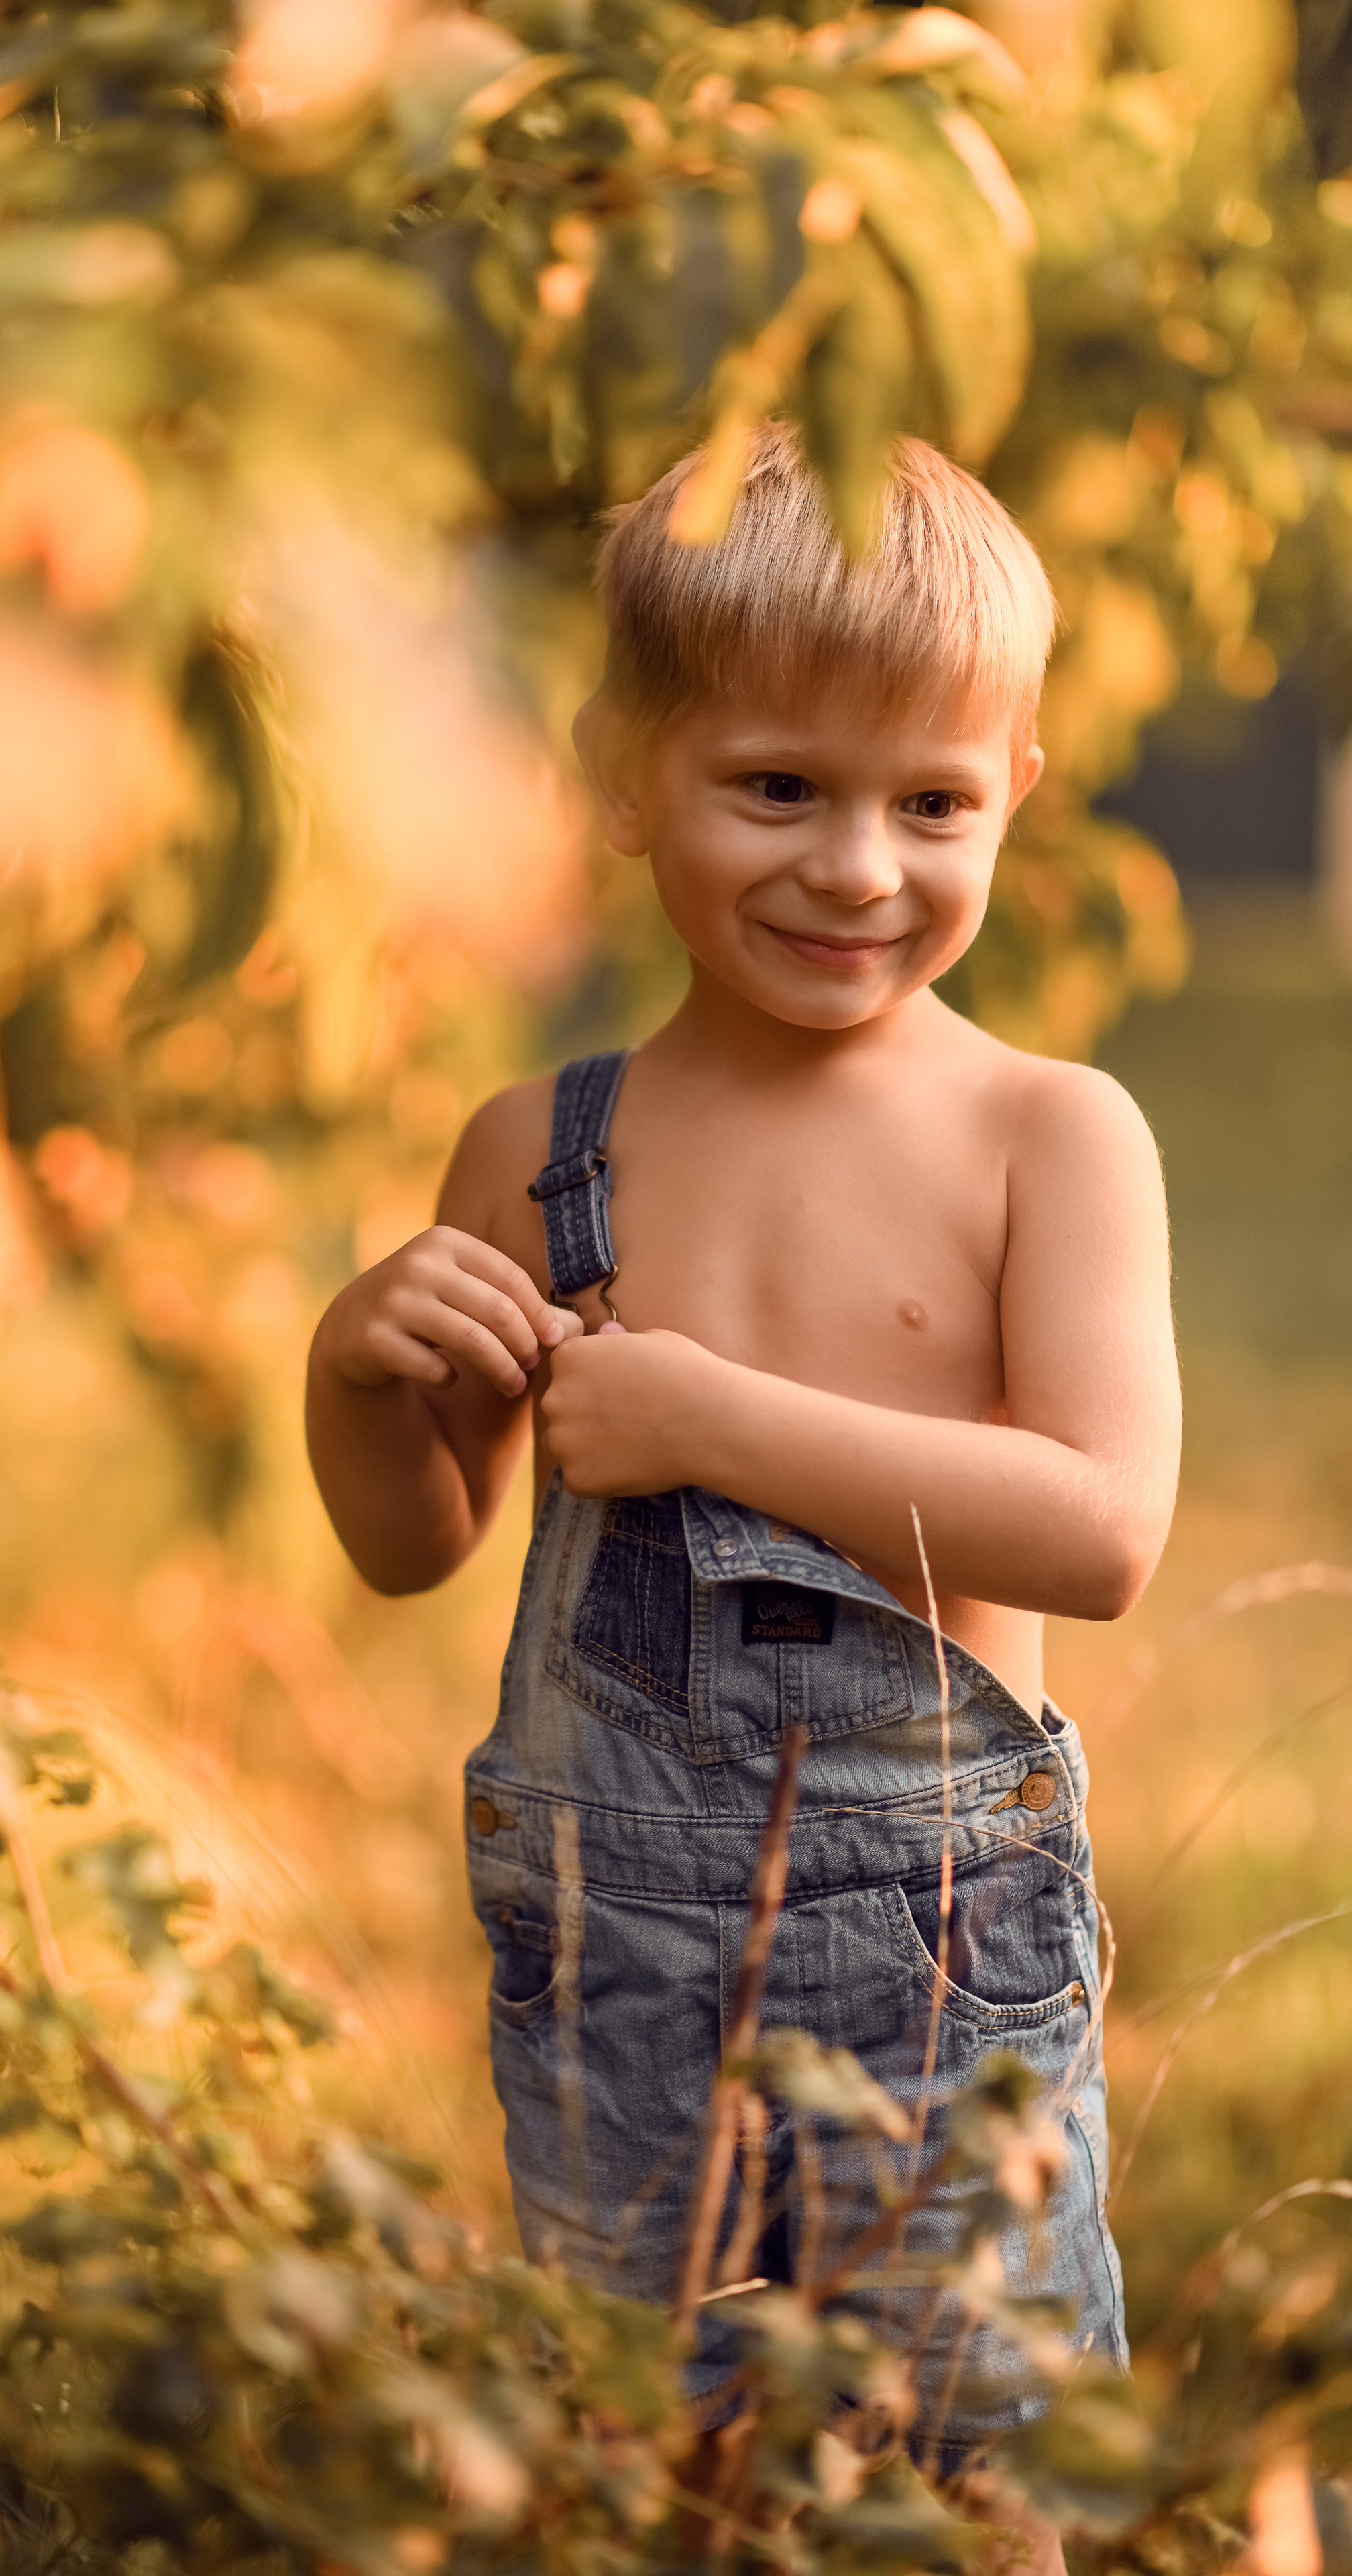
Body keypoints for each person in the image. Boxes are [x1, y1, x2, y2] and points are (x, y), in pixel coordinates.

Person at [304, 423, 1181, 2533]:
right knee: (655, 2451)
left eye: (933, 803)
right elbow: (424, 1547)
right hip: (621, 1941)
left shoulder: (1049, 1140)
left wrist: (710, 1425)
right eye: (778, 785)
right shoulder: (543, 1148)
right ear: (628, 771)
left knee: (989, 2454)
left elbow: (1102, 1526)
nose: (859, 867)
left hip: (940, 1942)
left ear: (1018, 796)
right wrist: (355, 1374)